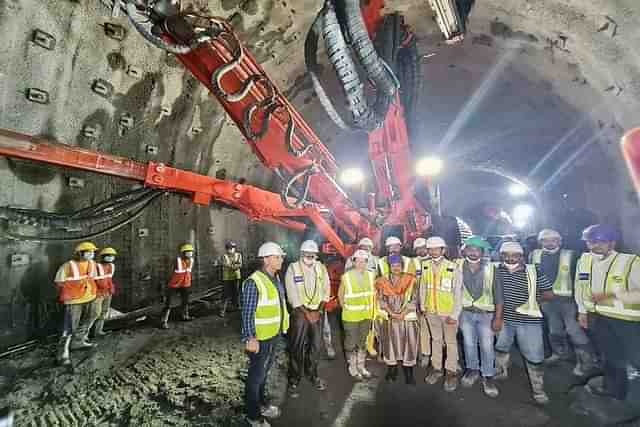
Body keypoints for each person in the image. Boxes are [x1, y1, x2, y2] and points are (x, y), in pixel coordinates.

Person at [574, 224, 640, 417]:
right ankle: (615, 392)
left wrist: (613, 295)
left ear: (612, 242)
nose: (593, 246)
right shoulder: (584, 260)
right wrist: (582, 311)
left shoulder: (630, 261)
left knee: (636, 358)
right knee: (611, 357)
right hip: (599, 317)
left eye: (599, 242)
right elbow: (580, 287)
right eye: (590, 242)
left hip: (627, 320)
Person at [530, 229, 597, 375]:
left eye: (553, 240)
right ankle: (560, 354)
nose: (549, 243)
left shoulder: (571, 255)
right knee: (554, 329)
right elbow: (531, 277)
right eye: (545, 240)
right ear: (540, 242)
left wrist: (583, 301)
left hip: (568, 301)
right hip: (547, 301)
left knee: (573, 330)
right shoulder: (534, 255)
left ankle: (587, 362)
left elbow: (581, 278)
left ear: (560, 241)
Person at [494, 241, 554, 404]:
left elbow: (549, 294)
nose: (510, 259)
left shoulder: (534, 271)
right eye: (506, 255)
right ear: (501, 256)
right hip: (505, 319)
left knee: (534, 355)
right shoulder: (497, 271)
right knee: (501, 347)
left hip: (529, 321)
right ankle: (501, 372)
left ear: (522, 257)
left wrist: (533, 302)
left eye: (515, 256)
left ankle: (538, 389)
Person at [241, 242, 289, 427]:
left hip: (273, 335)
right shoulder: (255, 282)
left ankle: (260, 405)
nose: (281, 260)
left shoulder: (275, 278)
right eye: (278, 257)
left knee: (263, 374)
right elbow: (247, 313)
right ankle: (253, 416)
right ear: (267, 260)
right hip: (260, 338)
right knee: (255, 377)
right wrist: (250, 337)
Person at [284, 240, 331, 396]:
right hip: (300, 313)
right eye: (306, 254)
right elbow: (292, 295)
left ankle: (313, 374)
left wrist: (318, 311)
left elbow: (326, 291)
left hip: (318, 311)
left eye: (312, 254)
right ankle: (294, 379)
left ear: (316, 255)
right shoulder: (293, 268)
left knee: (316, 346)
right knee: (296, 346)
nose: (309, 256)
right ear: (301, 254)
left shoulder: (321, 268)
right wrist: (307, 313)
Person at [457, 236, 501, 397]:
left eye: (477, 250)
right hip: (466, 313)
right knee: (468, 343)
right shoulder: (457, 266)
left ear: (482, 252)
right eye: (470, 249)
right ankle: (472, 370)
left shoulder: (492, 268)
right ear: (465, 251)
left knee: (487, 346)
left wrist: (498, 317)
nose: (473, 252)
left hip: (486, 315)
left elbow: (499, 295)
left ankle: (488, 376)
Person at [420, 236, 463, 392]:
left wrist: (455, 314)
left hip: (448, 313)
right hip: (431, 311)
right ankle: (436, 368)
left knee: (450, 343)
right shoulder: (425, 266)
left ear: (443, 250)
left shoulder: (453, 267)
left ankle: (451, 372)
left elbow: (458, 293)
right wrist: (423, 306)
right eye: (430, 249)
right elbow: (423, 288)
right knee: (436, 340)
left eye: (436, 248)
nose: (433, 251)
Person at [375, 255, 419, 384]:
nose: (396, 268)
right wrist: (392, 314)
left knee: (409, 344)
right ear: (389, 267)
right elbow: (381, 300)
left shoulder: (411, 280)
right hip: (390, 318)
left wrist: (403, 314)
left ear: (402, 266)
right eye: (393, 266)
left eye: (399, 265)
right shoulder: (382, 281)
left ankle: (409, 371)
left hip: (407, 318)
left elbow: (415, 299)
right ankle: (391, 369)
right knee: (390, 344)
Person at [54, 242, 99, 365]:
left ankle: (78, 341)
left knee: (94, 315)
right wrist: (68, 295)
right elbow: (59, 283)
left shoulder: (93, 264)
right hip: (73, 300)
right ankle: (62, 353)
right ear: (79, 253)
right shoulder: (68, 266)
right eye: (88, 252)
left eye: (93, 252)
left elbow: (92, 279)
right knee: (69, 326)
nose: (91, 254)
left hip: (90, 297)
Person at [339, 249, 376, 380]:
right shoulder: (346, 277)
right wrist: (348, 309)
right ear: (353, 262)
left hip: (366, 316)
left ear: (367, 262)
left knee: (362, 342)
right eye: (358, 261)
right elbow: (341, 296)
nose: (360, 263)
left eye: (363, 261)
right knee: (350, 343)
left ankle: (361, 366)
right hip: (351, 317)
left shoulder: (371, 275)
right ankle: (353, 368)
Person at [161, 243, 195, 329]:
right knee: (168, 304)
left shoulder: (191, 260)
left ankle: (185, 316)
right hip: (174, 284)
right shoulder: (177, 260)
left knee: (185, 301)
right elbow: (169, 272)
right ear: (183, 253)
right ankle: (163, 322)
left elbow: (189, 272)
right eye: (188, 252)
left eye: (191, 252)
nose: (190, 254)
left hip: (185, 284)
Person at [412, 237, 431, 367]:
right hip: (420, 301)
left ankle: (441, 356)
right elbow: (411, 284)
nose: (421, 250)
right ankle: (425, 354)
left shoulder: (437, 260)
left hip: (437, 301)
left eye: (423, 247)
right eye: (418, 248)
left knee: (438, 331)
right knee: (423, 329)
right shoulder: (412, 263)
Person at [91, 247, 118, 337]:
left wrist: (111, 289)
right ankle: (84, 336)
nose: (110, 257)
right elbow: (93, 280)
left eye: (112, 256)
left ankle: (98, 332)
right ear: (103, 257)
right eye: (108, 256)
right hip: (97, 294)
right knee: (95, 313)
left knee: (104, 312)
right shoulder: (96, 266)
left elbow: (109, 279)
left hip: (107, 293)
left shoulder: (112, 266)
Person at [220, 240, 243, 317]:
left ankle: (236, 306)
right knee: (225, 294)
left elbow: (240, 264)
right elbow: (226, 264)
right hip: (227, 278)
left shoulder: (239, 255)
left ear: (235, 248)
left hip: (236, 277)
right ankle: (222, 310)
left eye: (232, 248)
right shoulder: (224, 256)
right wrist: (234, 266)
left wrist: (233, 266)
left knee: (236, 292)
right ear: (226, 249)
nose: (230, 249)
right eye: (229, 248)